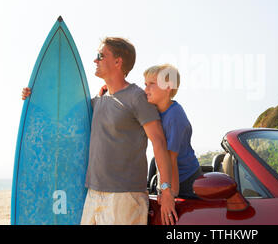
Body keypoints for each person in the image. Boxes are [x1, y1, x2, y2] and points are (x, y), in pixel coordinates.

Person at [22, 37, 178, 225]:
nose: (95, 60)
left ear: (118, 62)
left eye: (101, 56)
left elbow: (158, 141)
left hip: (124, 197)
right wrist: (35, 96)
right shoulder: (99, 100)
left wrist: (166, 190)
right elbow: (64, 114)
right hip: (93, 193)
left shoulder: (137, 97)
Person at [143, 64, 201, 198]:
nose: (145, 89)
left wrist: (170, 194)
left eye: (151, 84)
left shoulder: (175, 115)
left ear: (168, 87)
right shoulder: (154, 110)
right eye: (145, 84)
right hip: (166, 177)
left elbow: (171, 158)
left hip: (185, 181)